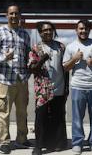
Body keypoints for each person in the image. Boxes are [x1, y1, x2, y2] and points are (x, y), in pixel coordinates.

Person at [0, 5, 31, 154]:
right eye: (11, 13)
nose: (14, 16)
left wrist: (30, 66)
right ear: (6, 15)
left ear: (20, 15)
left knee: (22, 112)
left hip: (21, 80)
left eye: (16, 13)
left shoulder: (25, 34)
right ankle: (4, 141)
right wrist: (4, 57)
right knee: (3, 112)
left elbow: (28, 55)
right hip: (5, 80)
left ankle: (22, 139)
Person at [63, 20, 92, 155]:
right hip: (78, 86)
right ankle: (78, 143)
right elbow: (65, 67)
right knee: (77, 117)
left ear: (89, 30)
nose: (83, 31)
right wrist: (75, 58)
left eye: (86, 29)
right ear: (76, 30)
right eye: (81, 29)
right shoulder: (71, 47)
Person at [28, 21, 68, 155]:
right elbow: (33, 69)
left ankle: (57, 143)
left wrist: (66, 86)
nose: (48, 32)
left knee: (58, 116)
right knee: (41, 117)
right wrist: (42, 59)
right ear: (40, 33)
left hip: (59, 87)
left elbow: (65, 68)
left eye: (50, 29)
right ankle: (38, 146)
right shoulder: (36, 48)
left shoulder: (61, 47)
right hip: (43, 89)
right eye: (44, 30)